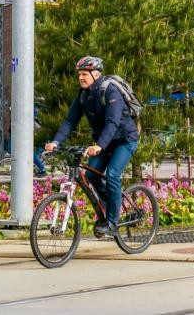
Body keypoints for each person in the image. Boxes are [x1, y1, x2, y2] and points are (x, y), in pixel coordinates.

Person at [45, 56, 139, 237]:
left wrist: (98, 146)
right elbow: (70, 120)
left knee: (112, 174)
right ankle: (109, 205)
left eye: (84, 74)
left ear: (95, 74)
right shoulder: (83, 95)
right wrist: (56, 142)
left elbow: (112, 122)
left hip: (124, 140)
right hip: (104, 143)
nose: (81, 77)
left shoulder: (110, 91)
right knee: (90, 177)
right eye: (79, 74)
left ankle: (112, 222)